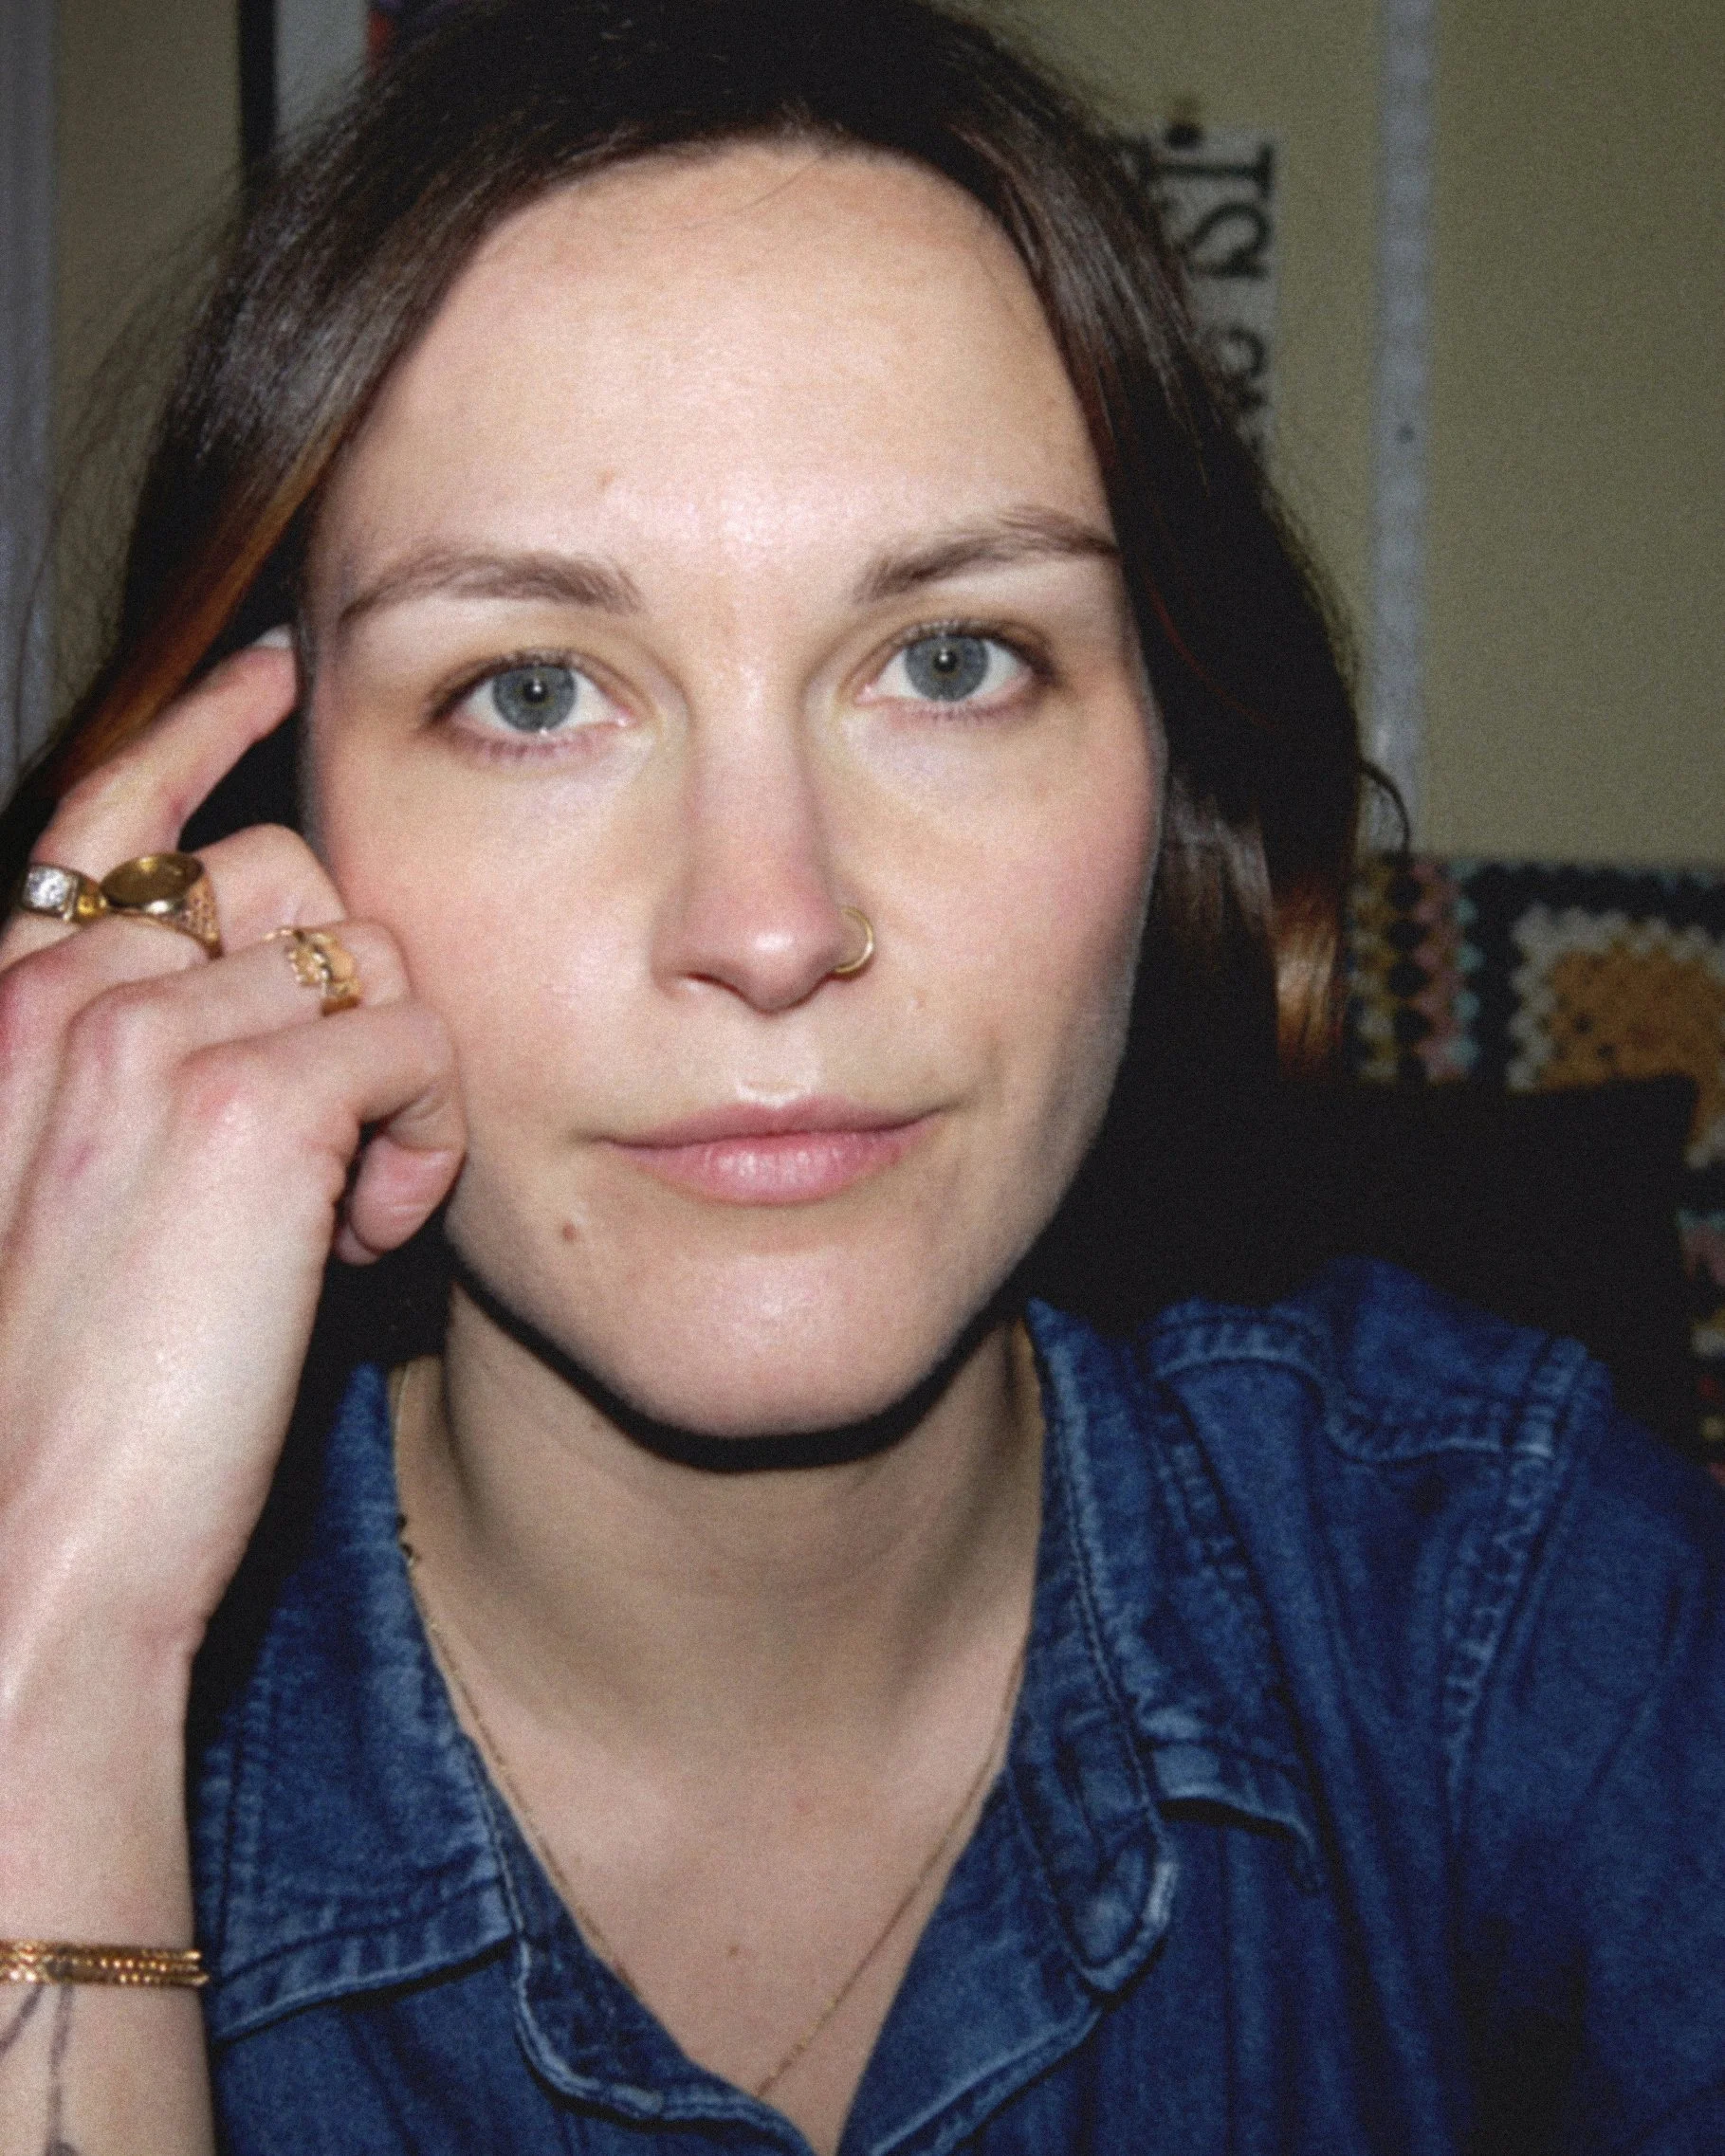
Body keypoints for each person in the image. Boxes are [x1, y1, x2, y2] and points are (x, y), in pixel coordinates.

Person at [1, 1, 1721, 2150]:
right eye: (534, 689)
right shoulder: (85, 1666)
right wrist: (53, 1661)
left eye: (950, 661)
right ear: (265, 842)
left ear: (1171, 778)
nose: (771, 917)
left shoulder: (1513, 1609)